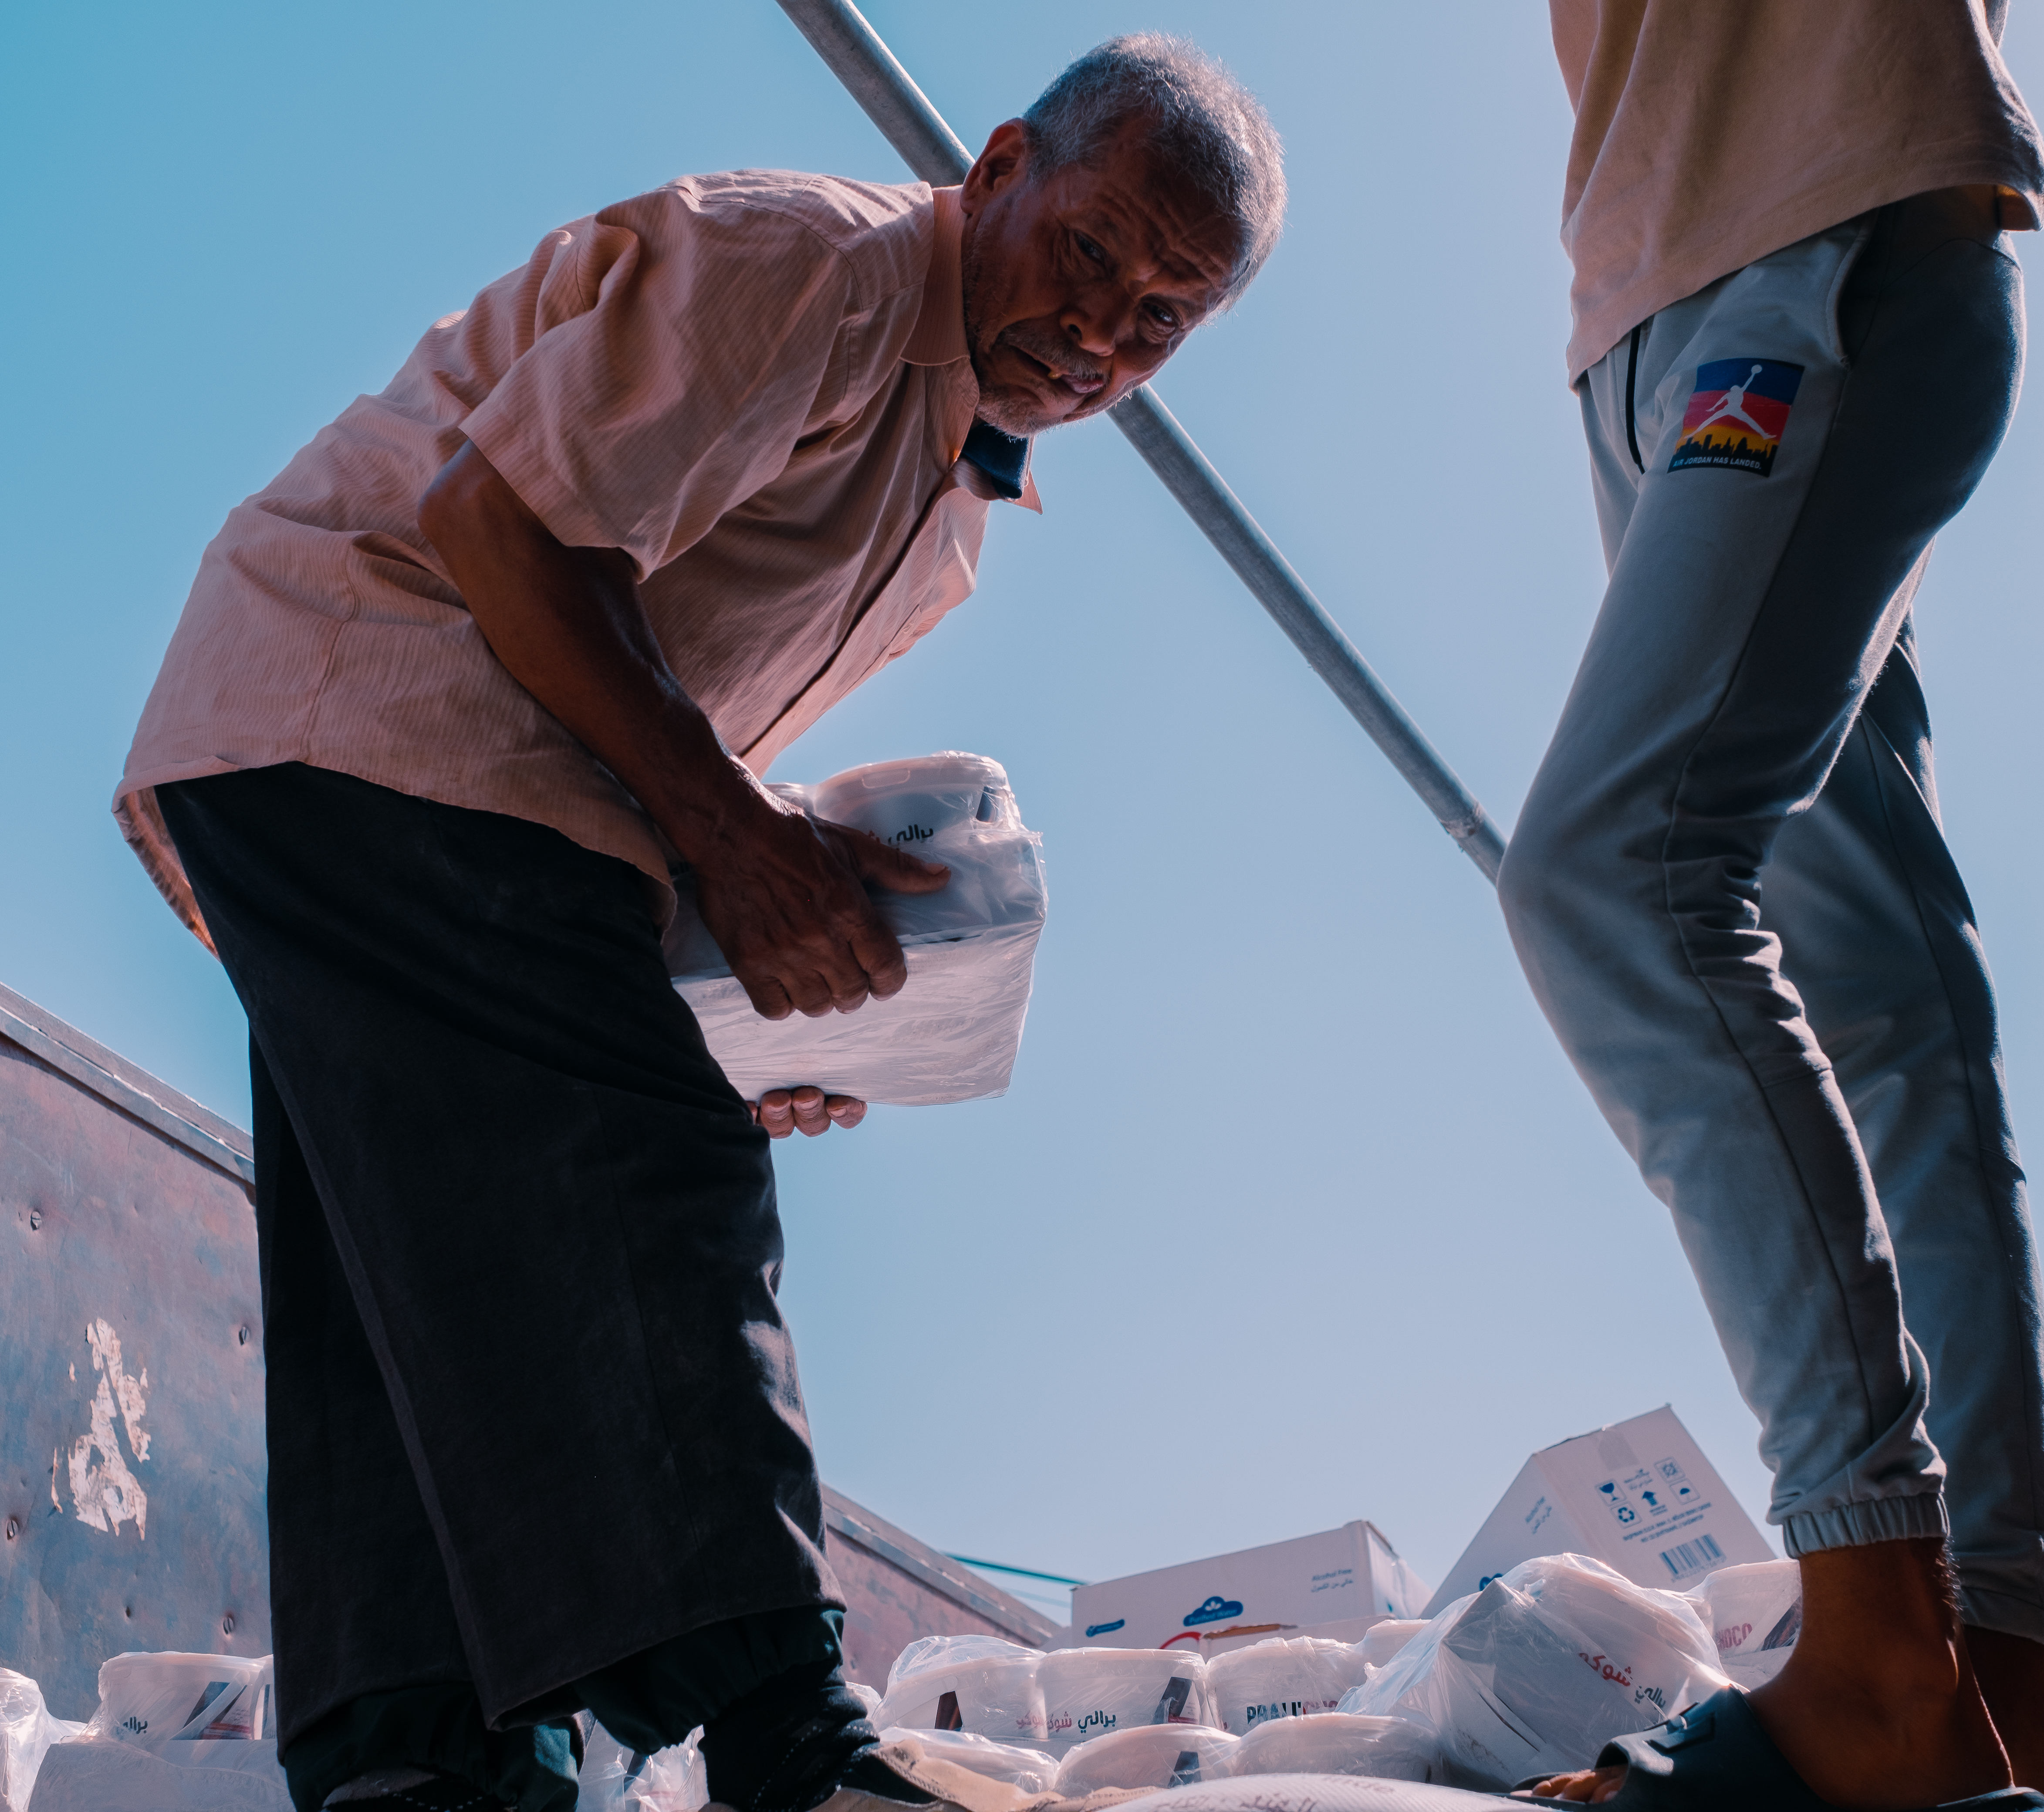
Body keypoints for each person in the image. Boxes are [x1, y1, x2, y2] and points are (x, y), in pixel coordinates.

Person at [110, 36, 1283, 1812]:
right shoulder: (807, 267)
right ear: (995, 171)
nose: (1108, 326)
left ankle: (414, 1757)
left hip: (388, 753)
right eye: (1096, 249)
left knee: (412, 1256)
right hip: (369, 688)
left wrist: (739, 1002)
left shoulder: (946, 509)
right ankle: (787, 1744)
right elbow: (494, 528)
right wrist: (735, 863)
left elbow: (651, 712)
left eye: (1165, 315)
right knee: (655, 1175)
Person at [1497, 5, 2044, 1807]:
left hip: (1821, 225)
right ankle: (1988, 1677)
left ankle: (1883, 1649)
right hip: (1653, 302)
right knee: (1885, 993)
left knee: (1613, 873)